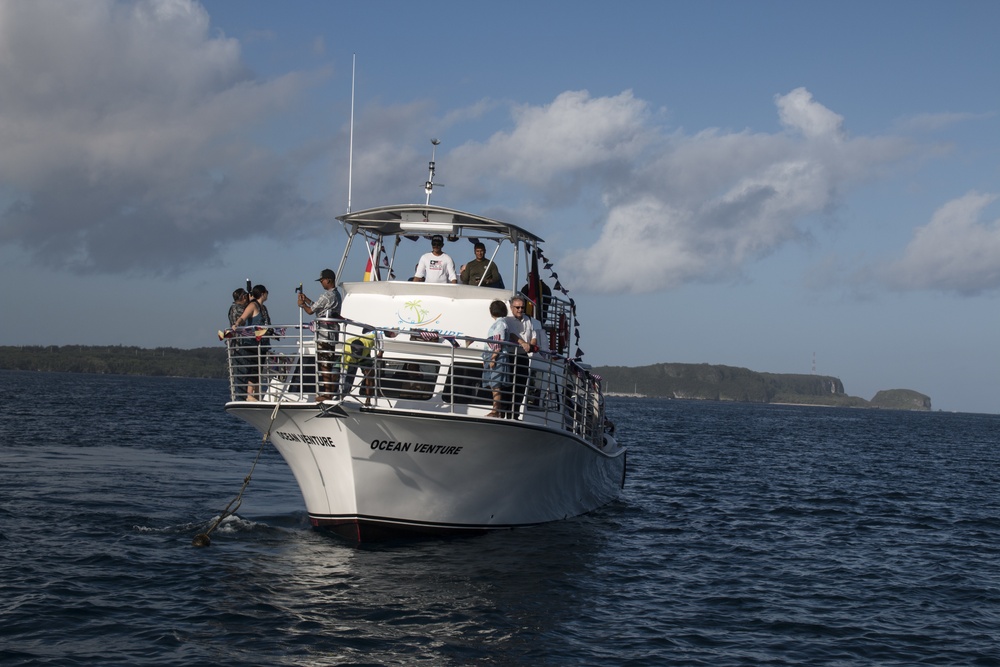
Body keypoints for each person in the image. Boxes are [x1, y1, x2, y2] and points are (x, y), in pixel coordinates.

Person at [298, 269, 343, 401]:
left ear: (328, 280)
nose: (321, 283)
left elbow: (311, 311)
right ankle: (329, 392)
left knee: (324, 364)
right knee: (328, 362)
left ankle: (327, 393)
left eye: (322, 280)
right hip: (332, 334)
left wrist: (302, 305)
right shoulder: (337, 295)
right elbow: (320, 308)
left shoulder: (326, 295)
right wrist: (307, 300)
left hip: (324, 334)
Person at [232, 285, 269, 401]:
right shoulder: (253, 305)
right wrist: (236, 324)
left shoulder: (263, 308)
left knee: (258, 370)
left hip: (262, 343)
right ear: (263, 294)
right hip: (252, 342)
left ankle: (256, 395)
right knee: (253, 368)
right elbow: (243, 317)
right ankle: (250, 395)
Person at [505, 296, 536, 420]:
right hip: (511, 356)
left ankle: (515, 414)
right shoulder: (508, 320)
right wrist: (523, 343)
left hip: (523, 356)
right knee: (508, 386)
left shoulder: (528, 319)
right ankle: (505, 414)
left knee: (521, 386)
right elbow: (512, 334)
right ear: (512, 307)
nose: (520, 310)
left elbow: (533, 335)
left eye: (522, 307)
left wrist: (532, 345)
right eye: (517, 307)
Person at [482, 300, 512, 418]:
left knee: (495, 384)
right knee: (494, 384)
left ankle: (495, 410)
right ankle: (496, 409)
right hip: (493, 355)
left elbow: (498, 342)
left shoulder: (500, 324)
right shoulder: (500, 323)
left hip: (497, 356)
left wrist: (493, 358)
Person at [227, 288, 250, 399]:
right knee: (242, 374)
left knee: (244, 373)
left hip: (239, 345)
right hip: (239, 345)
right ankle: (242, 397)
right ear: (242, 297)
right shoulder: (237, 309)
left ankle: (244, 397)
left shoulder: (235, 308)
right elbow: (247, 318)